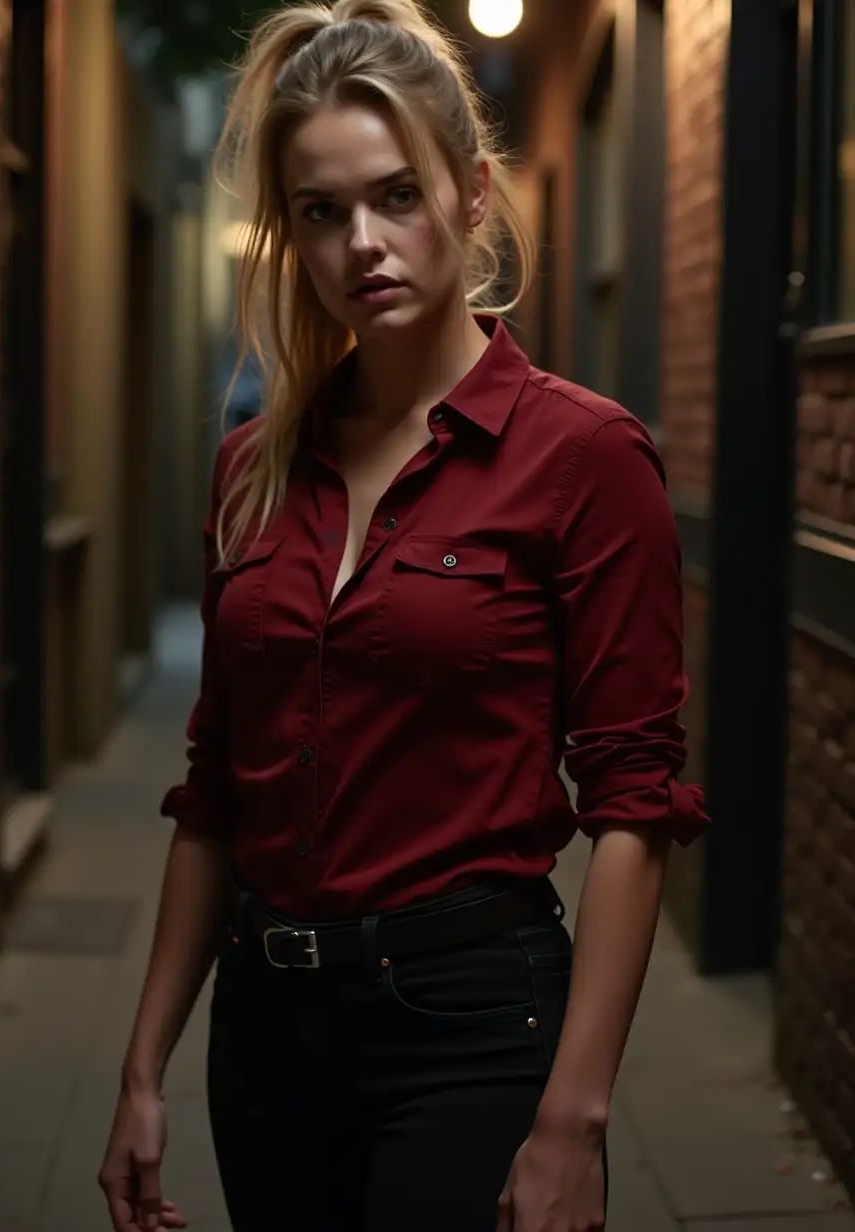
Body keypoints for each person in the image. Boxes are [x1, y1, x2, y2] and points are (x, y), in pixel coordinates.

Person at [98, 2, 710, 1230]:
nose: (361, 245)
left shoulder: (581, 455)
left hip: (472, 1023)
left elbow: (634, 801)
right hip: (264, 1030)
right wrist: (142, 1067)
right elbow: (218, 788)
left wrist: (574, 1119)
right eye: (320, 212)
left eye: (396, 197)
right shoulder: (253, 471)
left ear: (470, 194)